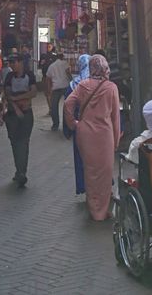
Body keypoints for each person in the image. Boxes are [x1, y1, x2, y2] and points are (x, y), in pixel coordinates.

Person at [64, 54, 122, 221]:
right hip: (104, 135)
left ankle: (94, 209)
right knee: (105, 171)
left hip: (85, 134)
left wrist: (73, 123)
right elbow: (115, 117)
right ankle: (102, 210)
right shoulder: (111, 88)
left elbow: (68, 103)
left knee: (90, 171)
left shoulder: (83, 85)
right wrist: (116, 139)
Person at [0, 52, 37, 188]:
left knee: (23, 143)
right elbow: (7, 94)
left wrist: (16, 98)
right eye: (10, 62)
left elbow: (33, 92)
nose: (11, 65)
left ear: (20, 62)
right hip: (12, 115)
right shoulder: (9, 76)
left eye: (13, 62)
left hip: (26, 114)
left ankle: (21, 172)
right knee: (15, 143)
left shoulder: (29, 75)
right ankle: (19, 170)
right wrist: (17, 105)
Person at [66, 54, 91, 197]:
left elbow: (67, 106)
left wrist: (70, 126)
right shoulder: (99, 83)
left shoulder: (74, 85)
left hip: (79, 126)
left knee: (81, 157)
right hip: (97, 127)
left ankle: (84, 186)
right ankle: (101, 187)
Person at [44, 52, 71, 131]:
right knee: (67, 105)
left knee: (54, 107)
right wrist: (72, 81)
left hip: (56, 87)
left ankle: (55, 125)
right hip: (65, 86)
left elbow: (48, 79)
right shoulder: (65, 63)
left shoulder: (51, 66)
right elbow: (68, 73)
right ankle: (67, 124)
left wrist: (48, 89)